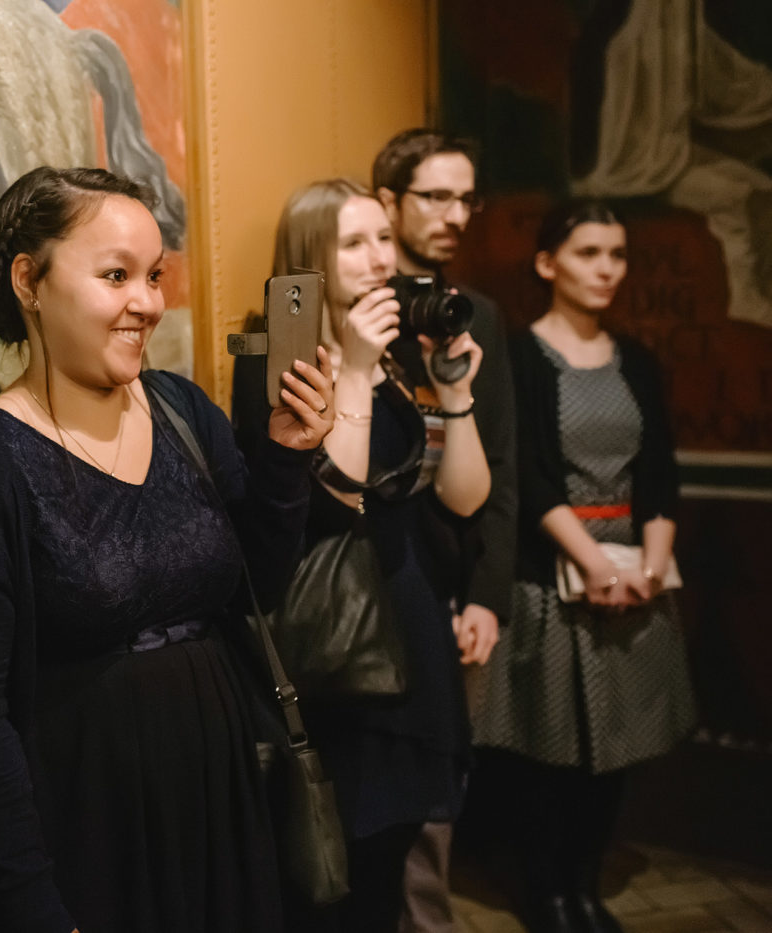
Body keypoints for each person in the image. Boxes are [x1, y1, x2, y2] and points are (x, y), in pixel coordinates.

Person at [0, 166, 336, 933]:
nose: (149, 301)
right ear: (29, 281)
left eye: (154, 276)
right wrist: (33, 904)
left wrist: (287, 458)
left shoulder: (181, 408)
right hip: (88, 821)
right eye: (116, 275)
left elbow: (255, 587)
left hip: (217, 788)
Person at [246, 177, 490, 933]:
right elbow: (336, 496)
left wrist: (455, 393)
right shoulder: (279, 356)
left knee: (391, 865)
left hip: (411, 622)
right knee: (342, 872)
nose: (380, 257)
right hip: (342, 645)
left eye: (383, 237)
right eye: (354, 242)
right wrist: (351, 368)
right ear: (310, 257)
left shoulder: (394, 356)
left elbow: (464, 498)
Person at [469, 200, 695, 933]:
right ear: (547, 263)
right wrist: (595, 564)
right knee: (551, 750)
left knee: (617, 745)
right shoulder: (522, 357)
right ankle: (548, 895)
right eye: (589, 253)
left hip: (634, 571)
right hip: (557, 572)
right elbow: (529, 474)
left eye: (617, 255)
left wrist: (650, 569)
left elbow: (658, 472)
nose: (607, 269)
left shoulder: (637, 360)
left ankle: (585, 886)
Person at [370, 128, 520, 933]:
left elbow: (504, 464)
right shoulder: (359, 311)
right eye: (436, 196)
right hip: (372, 588)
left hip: (453, 586)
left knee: (440, 798)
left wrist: (488, 594)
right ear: (389, 201)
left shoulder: (476, 314)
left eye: (467, 199)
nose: (457, 214)